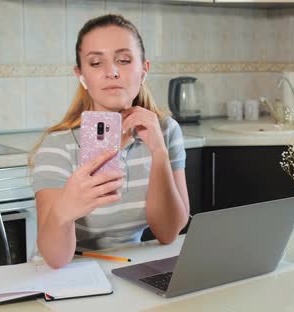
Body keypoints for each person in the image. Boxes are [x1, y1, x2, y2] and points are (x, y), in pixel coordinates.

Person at [29, 14, 190, 269]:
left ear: (144, 69)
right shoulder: (58, 146)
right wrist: (63, 211)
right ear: (81, 75)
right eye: (95, 63)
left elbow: (168, 233)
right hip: (64, 275)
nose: (111, 72)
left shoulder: (166, 132)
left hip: (124, 268)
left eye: (124, 60)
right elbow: (55, 259)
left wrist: (159, 153)